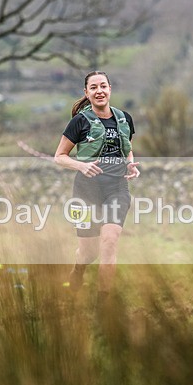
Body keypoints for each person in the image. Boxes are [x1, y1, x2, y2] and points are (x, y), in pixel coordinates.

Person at [54, 71, 140, 298]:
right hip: (86, 190)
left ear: (110, 88)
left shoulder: (125, 119)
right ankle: (79, 268)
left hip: (117, 189)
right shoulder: (79, 122)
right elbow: (60, 156)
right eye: (94, 87)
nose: (99, 91)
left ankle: (104, 304)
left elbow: (127, 150)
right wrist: (81, 166)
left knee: (109, 242)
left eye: (103, 86)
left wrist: (130, 165)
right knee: (88, 251)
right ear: (87, 93)